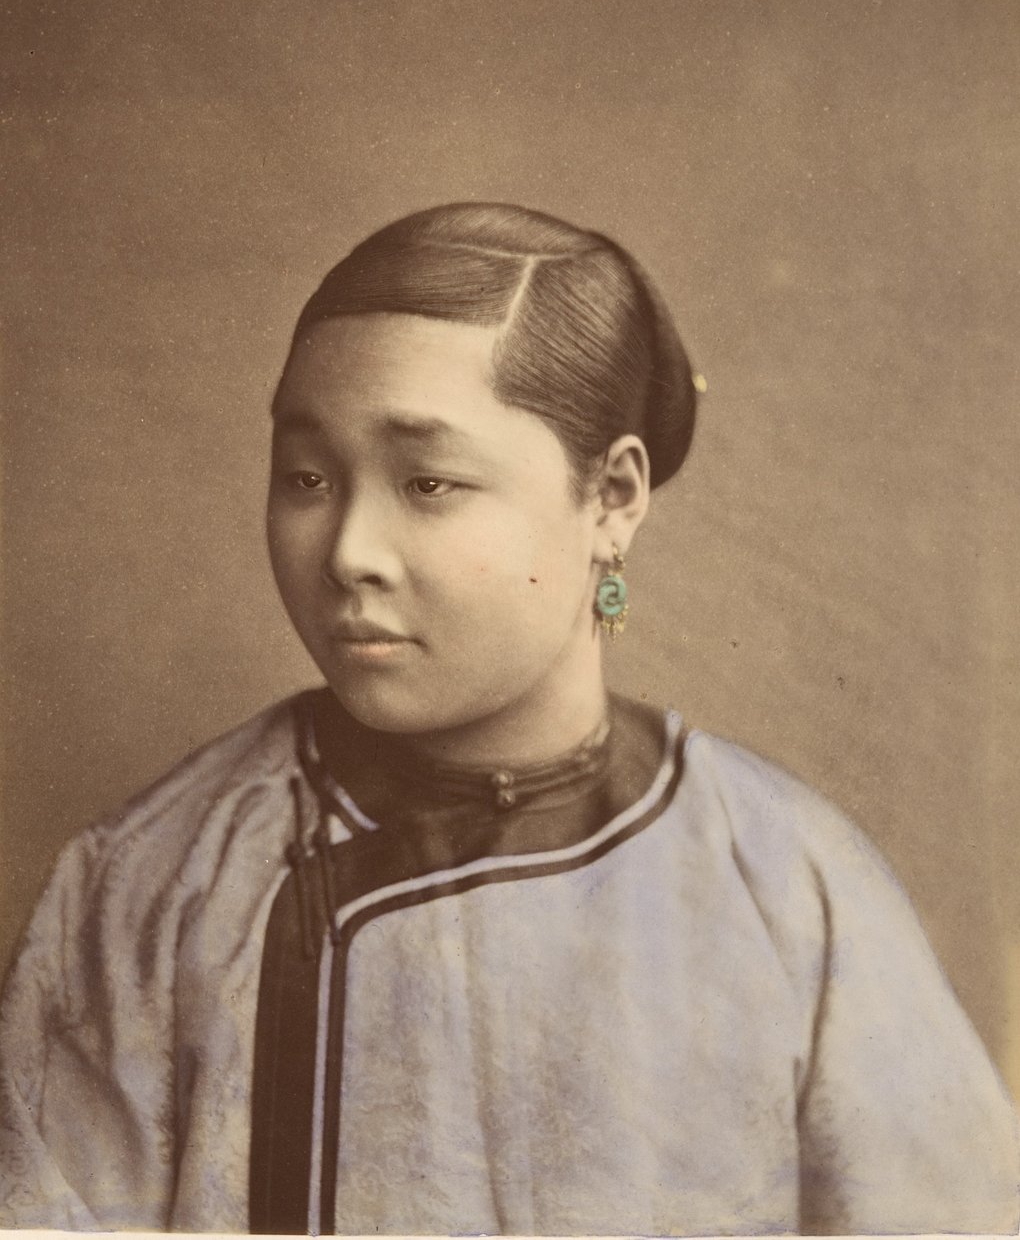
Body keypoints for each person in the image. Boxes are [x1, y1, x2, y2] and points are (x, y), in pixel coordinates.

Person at [0, 202, 1016, 1236]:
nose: (349, 551)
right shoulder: (152, 888)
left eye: (428, 482)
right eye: (307, 477)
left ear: (612, 497)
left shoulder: (788, 884)